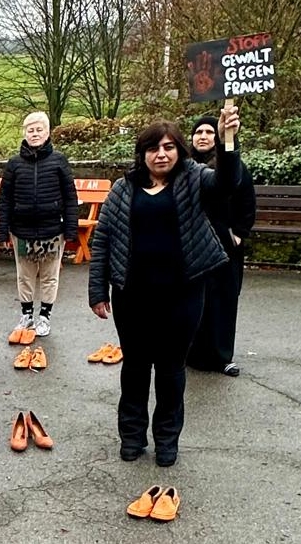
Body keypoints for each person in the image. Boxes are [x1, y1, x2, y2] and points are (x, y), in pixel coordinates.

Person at [88, 107, 242, 467]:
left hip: (182, 296)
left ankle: (167, 440)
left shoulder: (194, 179)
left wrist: (227, 140)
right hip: (132, 296)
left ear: (180, 151)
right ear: (142, 154)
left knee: (172, 371)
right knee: (136, 369)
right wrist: (97, 291)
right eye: (154, 148)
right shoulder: (123, 189)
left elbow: (227, 184)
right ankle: (131, 437)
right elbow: (103, 239)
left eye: (170, 147)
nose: (162, 154)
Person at [0, 111, 79, 337]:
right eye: (30, 130)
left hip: (52, 231)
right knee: (25, 275)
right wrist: (1, 232)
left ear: (47, 132)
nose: (34, 134)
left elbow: (70, 197)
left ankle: (44, 316)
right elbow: (5, 199)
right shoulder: (14, 164)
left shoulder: (59, 161)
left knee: (49, 276)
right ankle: (26, 315)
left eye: (39, 129)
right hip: (21, 231)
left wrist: (71, 229)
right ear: (24, 133)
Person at [186, 116, 256, 377]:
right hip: (192, 245)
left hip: (225, 244)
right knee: (194, 301)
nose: (203, 136)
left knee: (223, 300)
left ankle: (221, 355)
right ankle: (191, 353)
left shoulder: (233, 167)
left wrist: (238, 232)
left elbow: (247, 201)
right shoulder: (185, 168)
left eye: (208, 131)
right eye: (198, 132)